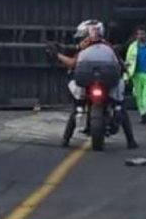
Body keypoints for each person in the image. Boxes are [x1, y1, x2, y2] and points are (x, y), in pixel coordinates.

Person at [49, 20, 138, 149]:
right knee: (120, 107)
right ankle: (131, 141)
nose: (82, 39)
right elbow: (120, 63)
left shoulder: (84, 49)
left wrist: (57, 55)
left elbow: (72, 63)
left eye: (83, 36)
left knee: (77, 107)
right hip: (108, 82)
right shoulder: (108, 47)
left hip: (86, 82)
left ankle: (66, 139)